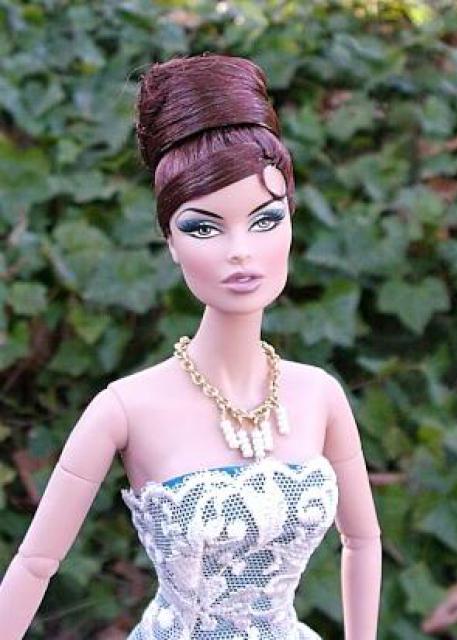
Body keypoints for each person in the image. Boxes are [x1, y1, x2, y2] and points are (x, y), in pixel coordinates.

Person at [0, 53, 382, 640]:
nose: (240, 250)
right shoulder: (126, 409)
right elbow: (35, 564)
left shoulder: (318, 396)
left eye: (265, 219)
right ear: (171, 243)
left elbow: (363, 540)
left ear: (291, 222)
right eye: (203, 226)